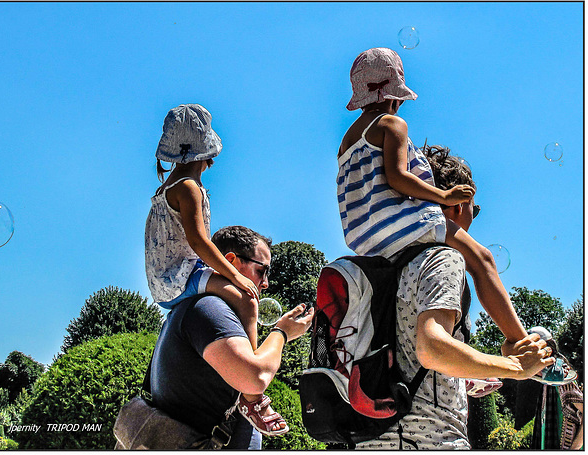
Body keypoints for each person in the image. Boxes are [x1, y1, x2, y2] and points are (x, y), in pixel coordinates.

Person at [357, 146, 555, 449]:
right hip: (428, 439)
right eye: (473, 210)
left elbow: (405, 354)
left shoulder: (383, 261)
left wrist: (465, 375)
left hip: (372, 437)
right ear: (460, 205)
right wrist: (516, 363)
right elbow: (432, 349)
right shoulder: (441, 258)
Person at [337, 48, 530, 354]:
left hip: (367, 242)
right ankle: (517, 341)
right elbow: (398, 177)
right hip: (403, 227)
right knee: (481, 259)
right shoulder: (391, 124)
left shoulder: (347, 142)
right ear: (395, 94)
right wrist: (444, 196)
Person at [145, 105, 288, 435]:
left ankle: (249, 386)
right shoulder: (189, 187)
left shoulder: (163, 191)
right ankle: (252, 397)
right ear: (205, 153)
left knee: (242, 295)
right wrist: (237, 277)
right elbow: (199, 242)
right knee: (248, 300)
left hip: (166, 282)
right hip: (182, 276)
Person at [150, 225, 314, 448]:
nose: (265, 283)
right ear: (231, 261)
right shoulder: (209, 308)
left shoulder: (199, 308)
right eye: (261, 271)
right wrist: (282, 333)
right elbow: (254, 378)